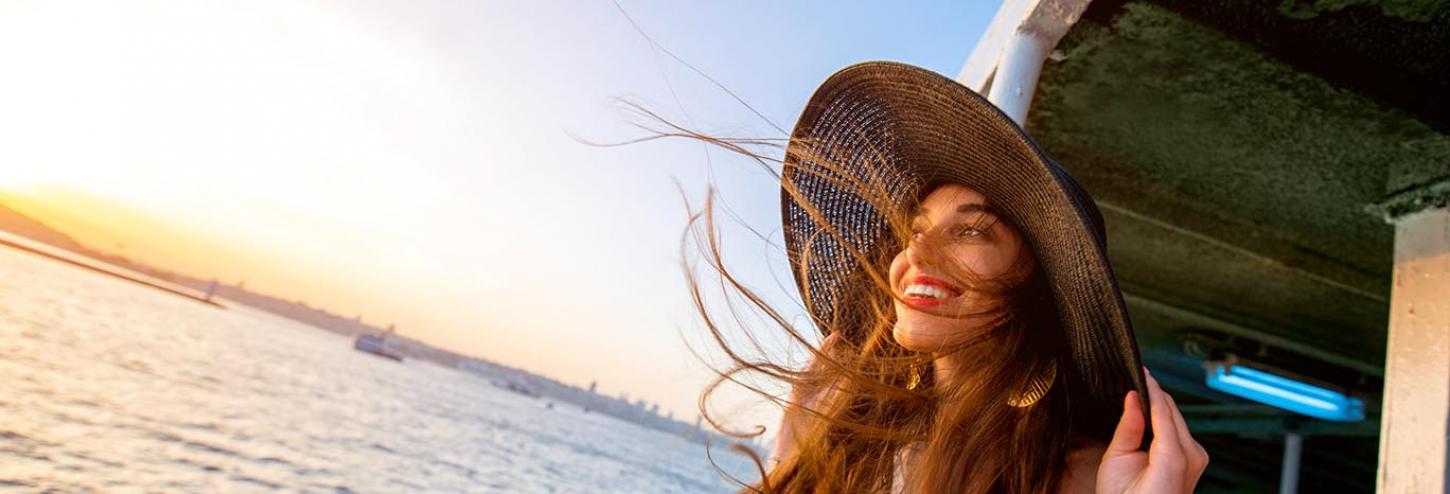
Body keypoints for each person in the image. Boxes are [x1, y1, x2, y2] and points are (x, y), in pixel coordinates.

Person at [680, 61, 1207, 493]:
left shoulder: (1081, 478)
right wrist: (793, 459)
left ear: (1041, 286)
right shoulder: (856, 436)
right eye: (913, 231)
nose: (917, 254)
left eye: (972, 232)